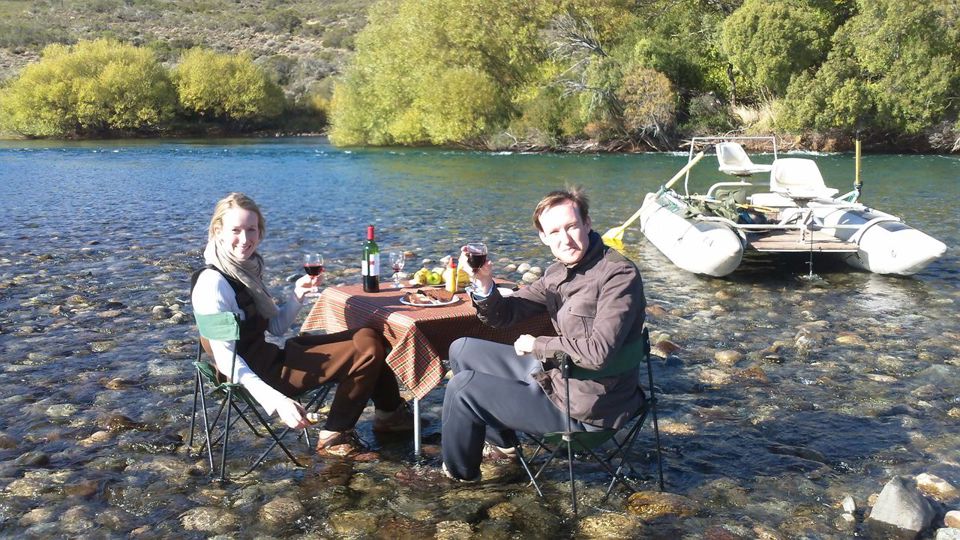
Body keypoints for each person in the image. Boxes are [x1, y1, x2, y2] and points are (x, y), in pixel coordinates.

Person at [441, 187, 646, 481]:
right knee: (462, 349)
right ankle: (503, 446)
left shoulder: (617, 275)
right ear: (543, 237)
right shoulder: (556, 272)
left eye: (572, 226)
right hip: (561, 376)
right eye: (555, 231)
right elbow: (506, 314)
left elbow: (598, 353)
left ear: (587, 223)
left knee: (463, 389)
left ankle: (459, 479)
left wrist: (538, 345)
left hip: (588, 405)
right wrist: (485, 286)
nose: (565, 238)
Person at [191, 192, 412, 456]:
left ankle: (390, 416)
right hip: (256, 375)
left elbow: (275, 329)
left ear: (260, 231)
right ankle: (335, 438)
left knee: (369, 334)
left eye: (251, 229)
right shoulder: (213, 283)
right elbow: (227, 360)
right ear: (218, 231)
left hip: (269, 359)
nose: (245, 239)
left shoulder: (245, 270)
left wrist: (297, 295)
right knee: (367, 351)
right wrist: (279, 402)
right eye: (236, 230)